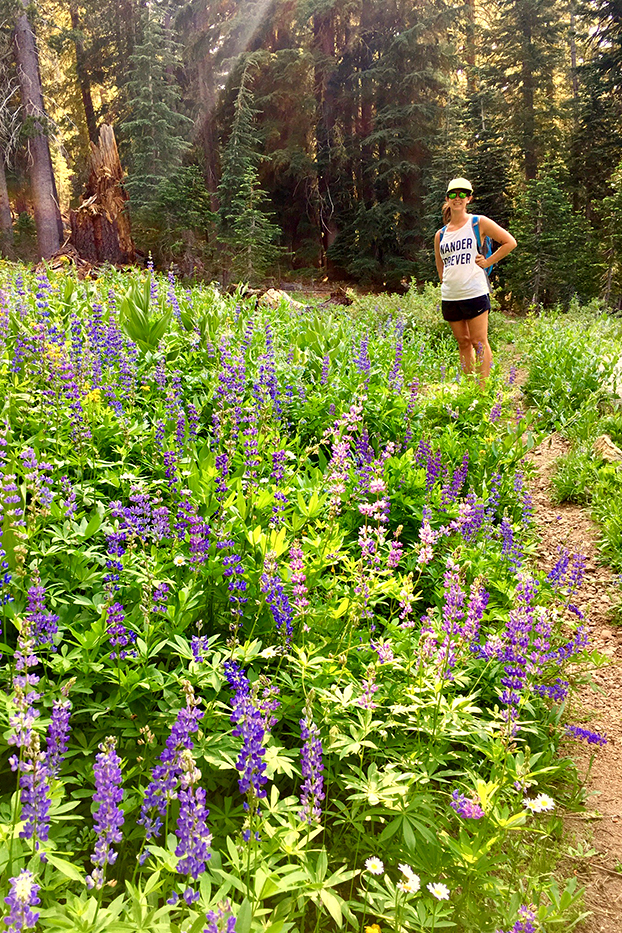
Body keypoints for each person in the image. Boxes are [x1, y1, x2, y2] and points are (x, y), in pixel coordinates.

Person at [434, 177, 516, 385]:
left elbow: (509, 242)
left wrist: (488, 261)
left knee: (479, 342)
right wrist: (446, 282)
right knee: (463, 343)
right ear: (447, 198)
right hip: (451, 296)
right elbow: (440, 266)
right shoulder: (440, 235)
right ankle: (469, 388)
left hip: (475, 292)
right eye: (453, 194)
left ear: (469, 198)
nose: (458, 198)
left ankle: (482, 390)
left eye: (463, 194)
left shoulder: (478, 223)